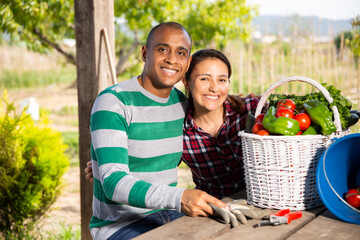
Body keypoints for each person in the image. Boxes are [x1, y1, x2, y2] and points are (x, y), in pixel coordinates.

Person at [89, 22, 228, 240]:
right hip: (121, 226)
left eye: (180, 53)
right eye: (162, 49)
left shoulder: (181, 103)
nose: (172, 59)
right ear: (145, 53)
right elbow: (113, 183)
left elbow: (210, 112)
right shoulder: (113, 102)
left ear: (188, 62)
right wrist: (179, 198)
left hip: (170, 216)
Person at [181, 49, 259, 200]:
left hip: (261, 201)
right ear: (187, 83)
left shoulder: (250, 111)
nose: (214, 88)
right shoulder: (180, 131)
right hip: (212, 211)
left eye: (222, 80)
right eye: (204, 79)